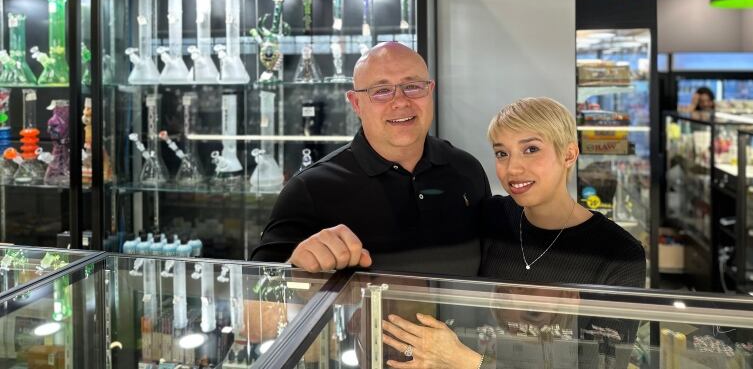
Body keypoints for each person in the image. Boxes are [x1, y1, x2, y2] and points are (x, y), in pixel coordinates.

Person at [382, 97, 645, 369]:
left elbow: (604, 364)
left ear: (568, 155)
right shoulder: (491, 216)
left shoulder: (620, 254)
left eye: (531, 149)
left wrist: (466, 361)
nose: (513, 168)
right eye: (501, 153)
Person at [251, 42, 491, 276]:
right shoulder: (309, 189)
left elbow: (493, 270)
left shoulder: (467, 169)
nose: (400, 102)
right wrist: (294, 267)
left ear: (430, 90)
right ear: (356, 103)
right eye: (382, 91)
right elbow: (257, 297)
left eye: (413, 86)